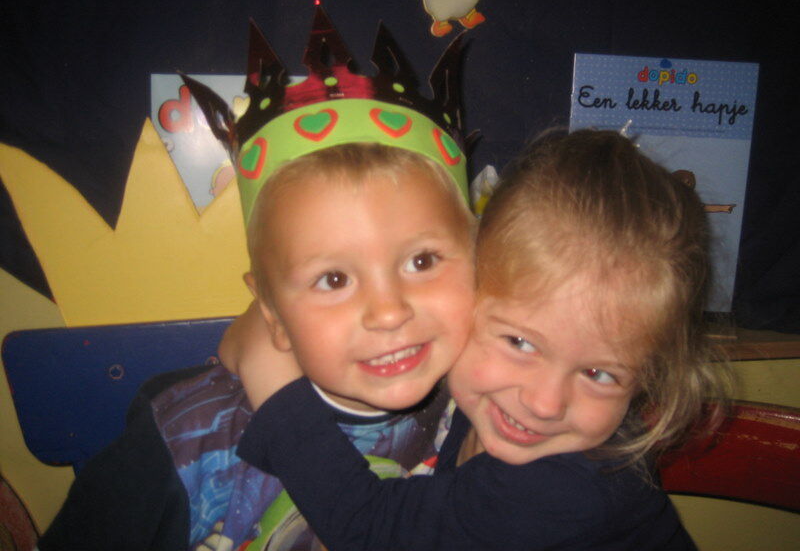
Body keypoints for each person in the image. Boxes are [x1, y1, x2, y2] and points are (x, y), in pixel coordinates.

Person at [38, 8, 477, 551]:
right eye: (333, 278)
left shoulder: (493, 402)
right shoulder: (187, 445)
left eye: (422, 261)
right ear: (271, 313)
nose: (389, 312)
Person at [232, 129, 733, 550]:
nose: (544, 404)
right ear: (471, 290)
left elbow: (373, 530)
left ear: (647, 373)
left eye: (599, 373)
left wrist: (271, 379)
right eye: (520, 343)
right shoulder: (481, 402)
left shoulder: (568, 486)